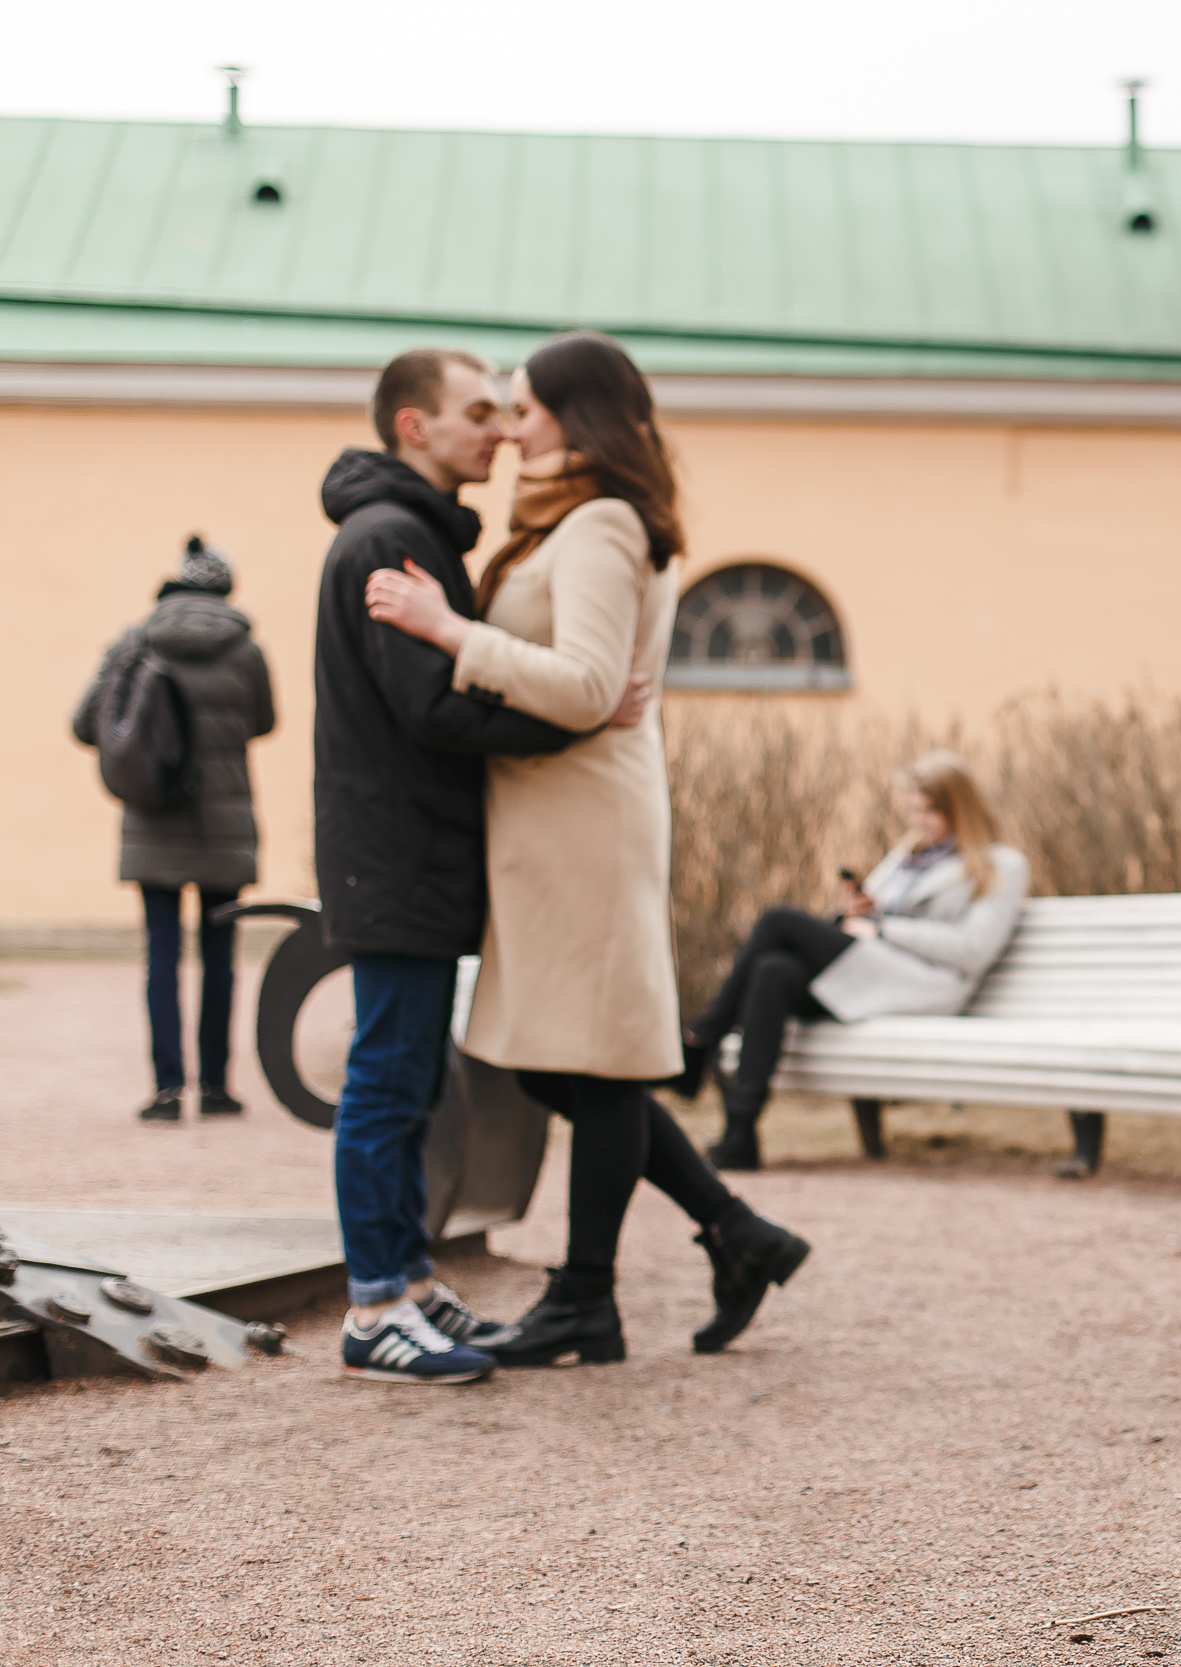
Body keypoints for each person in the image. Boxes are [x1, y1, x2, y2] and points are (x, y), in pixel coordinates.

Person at [364, 331, 809, 1371]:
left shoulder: (604, 522)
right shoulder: (573, 518)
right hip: (549, 822)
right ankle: (739, 1234)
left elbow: (583, 685)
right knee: (566, 1070)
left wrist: (445, 630)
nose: (511, 428)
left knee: (593, 1066)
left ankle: (587, 1298)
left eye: (526, 409)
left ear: (578, 416)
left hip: (585, 826)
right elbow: (584, 681)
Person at [666, 751, 1031, 1171]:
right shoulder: (907, 855)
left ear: (961, 810)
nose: (918, 820)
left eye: (930, 811)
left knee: (778, 920)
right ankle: (740, 1134)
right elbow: (869, 916)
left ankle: (698, 1043)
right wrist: (853, 913)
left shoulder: (1001, 865)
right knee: (773, 971)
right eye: (914, 809)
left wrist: (882, 927)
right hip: (871, 970)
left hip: (925, 983)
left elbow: (973, 950)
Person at [72, 537, 276, 1122]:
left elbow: (86, 723)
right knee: (221, 958)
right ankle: (215, 1087)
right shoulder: (246, 650)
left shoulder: (134, 642)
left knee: (161, 956)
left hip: (152, 819)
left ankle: (166, 1090)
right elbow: (265, 721)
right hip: (224, 824)